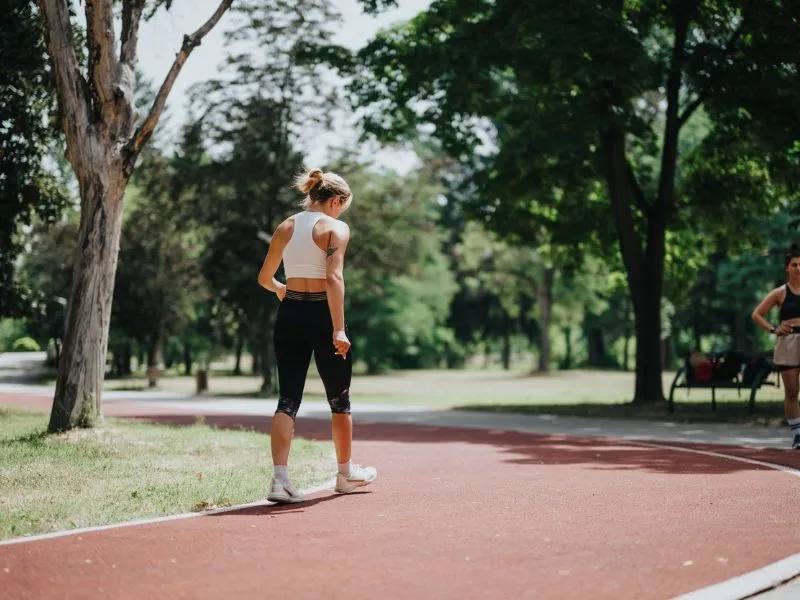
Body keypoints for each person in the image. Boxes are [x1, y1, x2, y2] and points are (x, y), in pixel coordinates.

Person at [257, 167, 377, 503]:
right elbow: (333, 279)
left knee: (288, 399)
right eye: (343, 206)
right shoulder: (335, 227)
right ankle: (346, 473)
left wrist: (282, 289)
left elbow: (265, 278)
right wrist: (338, 328)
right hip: (323, 316)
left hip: (291, 314)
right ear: (336, 200)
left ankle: (279, 480)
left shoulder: (286, 226)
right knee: (339, 398)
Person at [752, 243, 800, 449]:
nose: (798, 268)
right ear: (787, 268)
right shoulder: (780, 293)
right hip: (788, 343)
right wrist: (773, 329)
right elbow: (756, 314)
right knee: (791, 392)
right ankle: (798, 434)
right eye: (795, 265)